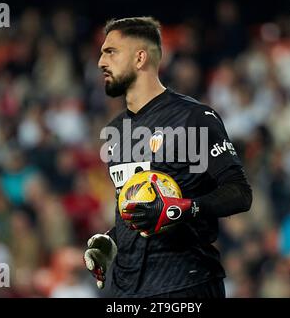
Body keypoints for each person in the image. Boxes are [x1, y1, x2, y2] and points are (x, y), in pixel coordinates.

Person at [84, 17, 252, 298]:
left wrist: (184, 208)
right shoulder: (115, 130)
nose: (101, 61)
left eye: (110, 52)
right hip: (126, 291)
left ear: (140, 58)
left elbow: (239, 193)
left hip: (185, 284)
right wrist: (112, 242)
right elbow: (140, 209)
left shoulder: (193, 118)